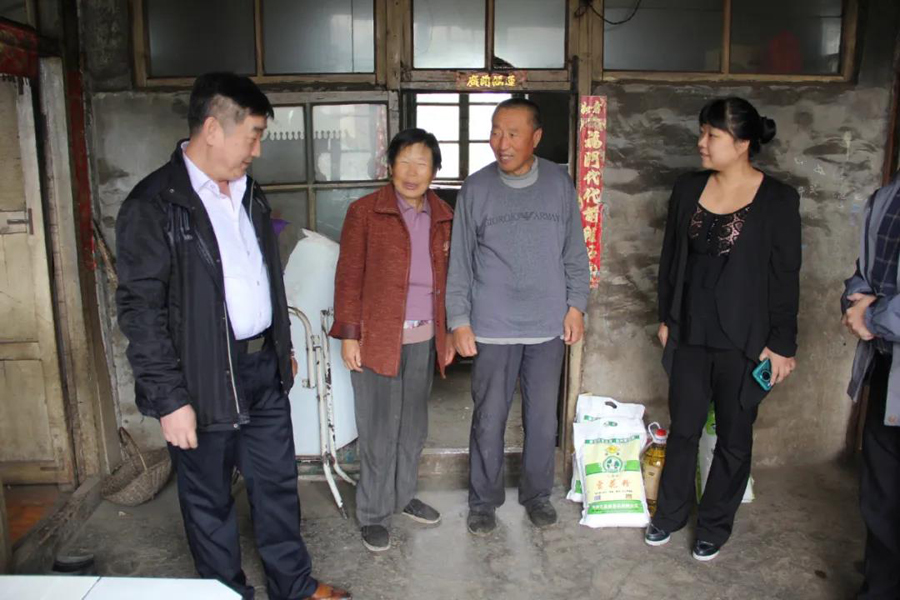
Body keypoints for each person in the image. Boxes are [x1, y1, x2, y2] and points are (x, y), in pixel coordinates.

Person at [115, 72, 350, 600]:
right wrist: (169, 399)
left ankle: (293, 586)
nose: (258, 150)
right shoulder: (153, 205)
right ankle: (226, 593)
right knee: (209, 500)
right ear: (212, 129)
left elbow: (264, 275)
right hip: (199, 379)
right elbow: (140, 310)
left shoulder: (249, 193)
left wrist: (280, 346)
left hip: (261, 369)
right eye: (253, 135)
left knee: (277, 485)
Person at [648, 97, 801, 561]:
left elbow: (785, 276)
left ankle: (714, 525)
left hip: (745, 341)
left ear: (742, 143)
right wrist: (667, 318)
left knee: (734, 439)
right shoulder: (687, 188)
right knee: (684, 429)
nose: (701, 142)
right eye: (702, 132)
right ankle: (669, 515)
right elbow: (671, 260)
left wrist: (782, 345)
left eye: (711, 135)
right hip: (690, 333)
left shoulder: (778, 199)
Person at [446, 98, 590, 535]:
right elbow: (460, 261)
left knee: (543, 419)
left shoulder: (559, 184)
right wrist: (459, 319)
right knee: (488, 418)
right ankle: (483, 501)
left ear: (536, 137)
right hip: (491, 325)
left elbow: (574, 250)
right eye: (495, 132)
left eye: (512, 133)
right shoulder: (476, 188)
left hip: (547, 325)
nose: (501, 143)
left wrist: (577, 305)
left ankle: (537, 495)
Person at [329, 128, 455, 552]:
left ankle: (402, 497)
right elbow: (348, 277)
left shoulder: (443, 215)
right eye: (404, 162)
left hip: (424, 336)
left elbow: (452, 279)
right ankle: (373, 513)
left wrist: (447, 333)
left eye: (422, 163)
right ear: (390, 166)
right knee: (378, 427)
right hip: (377, 338)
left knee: (412, 426)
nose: (412, 172)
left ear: (435, 171)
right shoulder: (366, 212)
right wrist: (350, 335)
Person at [842, 169, 900, 599]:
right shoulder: (888, 194)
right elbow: (868, 272)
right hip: (886, 368)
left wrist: (874, 316)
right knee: (883, 495)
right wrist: (856, 301)